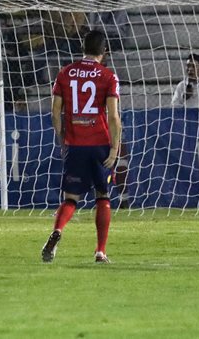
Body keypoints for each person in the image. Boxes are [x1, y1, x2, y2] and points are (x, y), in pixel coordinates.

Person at [42, 30, 121, 265]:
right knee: (103, 196)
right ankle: (100, 251)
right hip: (99, 144)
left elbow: (55, 110)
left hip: (75, 144)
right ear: (103, 52)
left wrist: (61, 136)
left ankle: (57, 231)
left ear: (83, 48)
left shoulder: (65, 73)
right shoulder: (108, 76)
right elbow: (113, 116)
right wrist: (115, 148)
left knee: (71, 198)